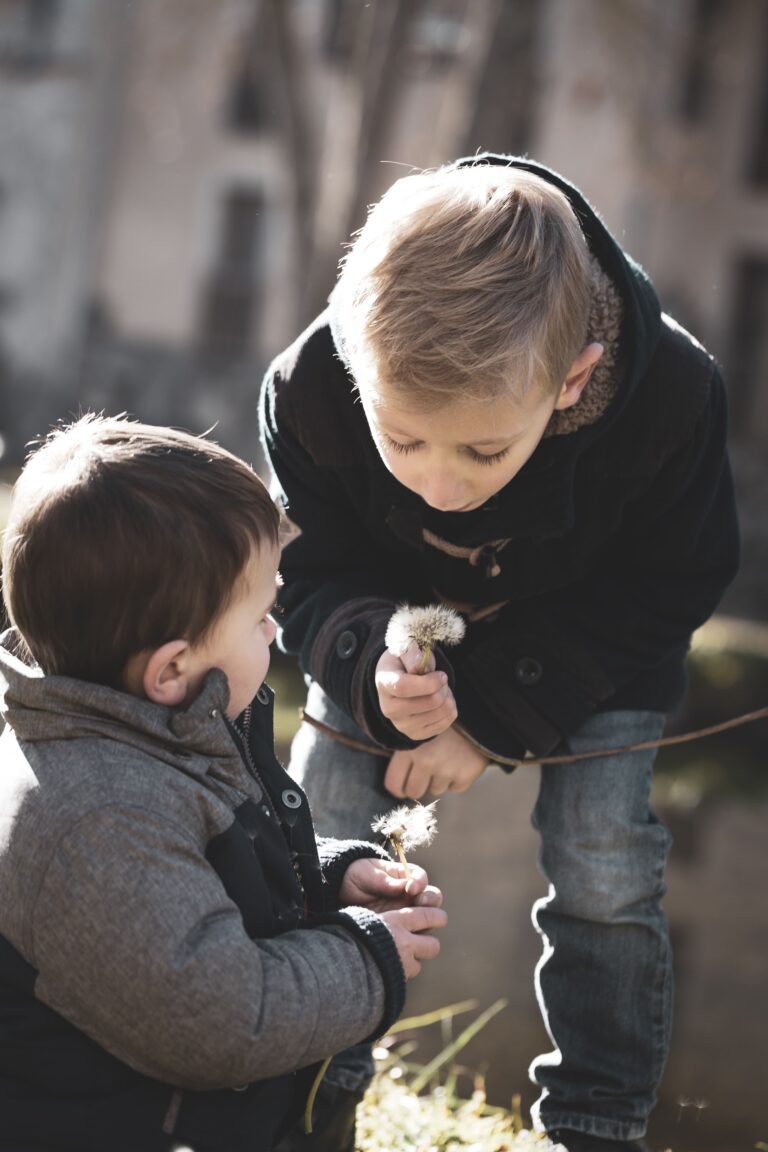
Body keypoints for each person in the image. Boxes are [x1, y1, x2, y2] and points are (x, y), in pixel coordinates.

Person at [259, 154, 740, 1152]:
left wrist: (486, 716)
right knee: (320, 835)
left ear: (573, 383)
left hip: (594, 641)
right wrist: (365, 657)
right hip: (390, 619)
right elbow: (306, 565)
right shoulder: (310, 388)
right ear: (358, 363)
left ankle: (596, 1123)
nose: (439, 485)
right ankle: (304, 1085)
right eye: (404, 441)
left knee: (605, 867)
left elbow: (675, 579)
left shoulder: (674, 399)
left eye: (482, 451)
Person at [0, 414, 447, 1152]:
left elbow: (204, 871)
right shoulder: (95, 820)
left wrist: (324, 881)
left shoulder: (149, 730)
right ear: (171, 668)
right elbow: (219, 1022)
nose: (275, 634)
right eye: (260, 616)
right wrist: (367, 958)